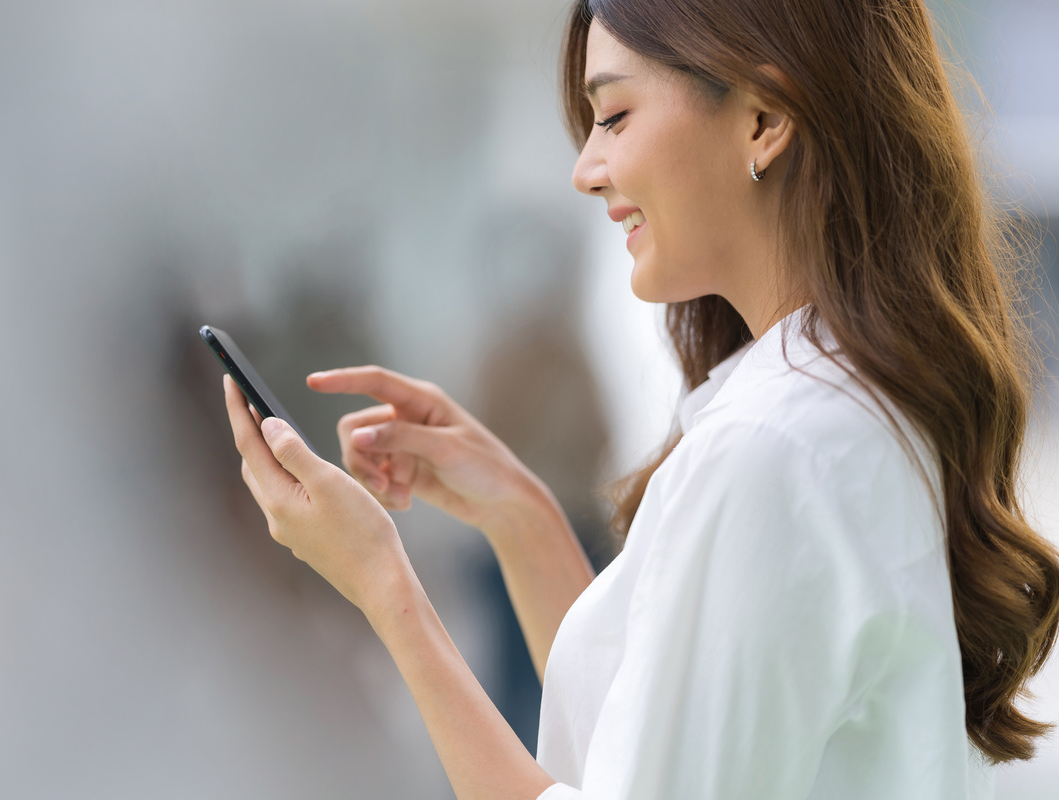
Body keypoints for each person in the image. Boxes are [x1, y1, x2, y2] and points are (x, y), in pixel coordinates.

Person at [218, 0, 1059, 797]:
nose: (586, 170)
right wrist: (520, 514)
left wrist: (384, 588)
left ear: (764, 121)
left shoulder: (774, 450)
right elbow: (657, 731)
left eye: (613, 117)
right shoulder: (839, 408)